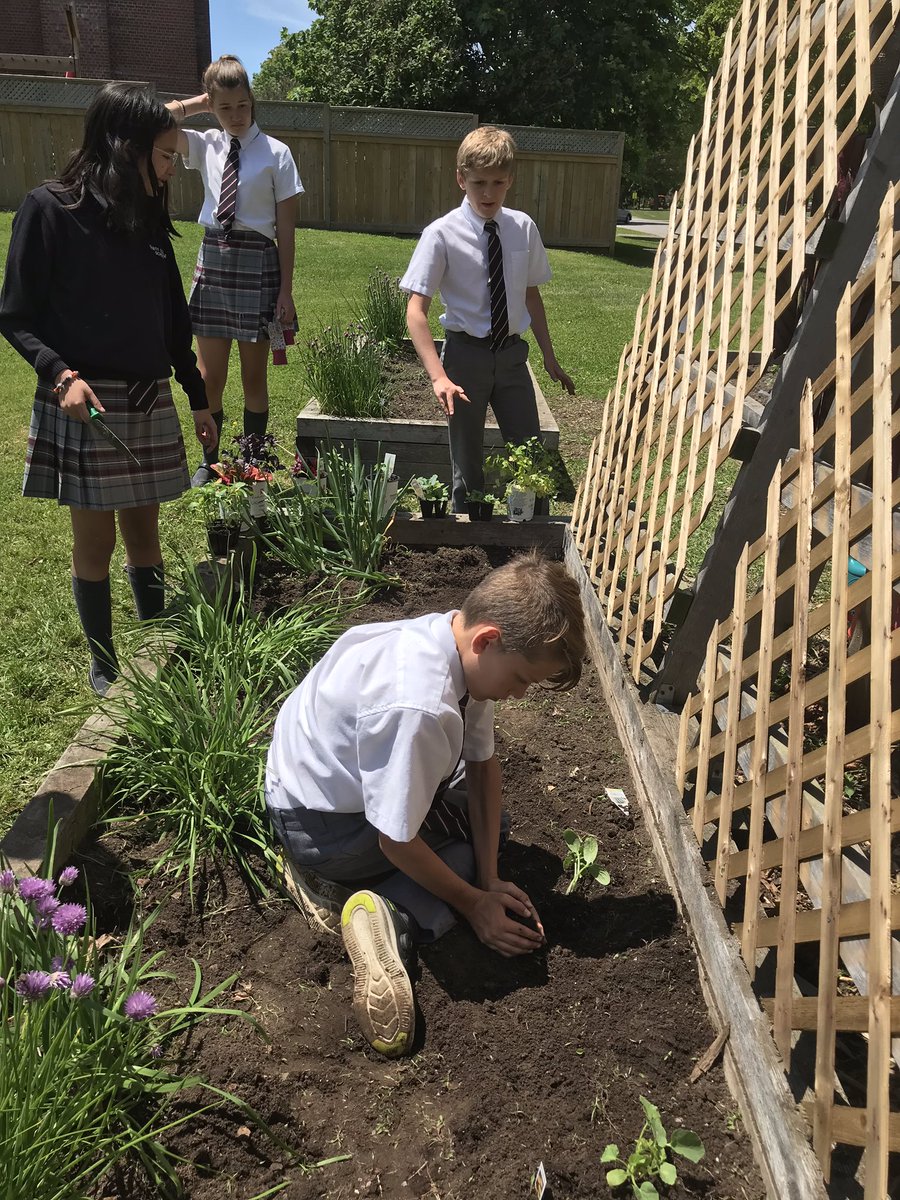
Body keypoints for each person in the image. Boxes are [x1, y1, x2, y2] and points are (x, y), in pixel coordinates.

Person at [265, 552, 586, 1057]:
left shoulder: (450, 643)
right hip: (323, 827)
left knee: (487, 835)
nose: (521, 695)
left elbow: (482, 766)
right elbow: (396, 839)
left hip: (317, 782)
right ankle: (383, 910)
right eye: (522, 679)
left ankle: (382, 897)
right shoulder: (420, 706)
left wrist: (491, 875)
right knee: (457, 858)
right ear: (488, 640)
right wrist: (474, 902)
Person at [0, 83, 217, 696]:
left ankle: (154, 646)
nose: (173, 168)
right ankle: (104, 661)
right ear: (127, 149)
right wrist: (60, 374)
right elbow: (15, 315)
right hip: (87, 401)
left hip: (147, 398)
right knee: (93, 540)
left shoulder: (146, 217)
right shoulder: (49, 210)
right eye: (167, 155)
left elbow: (174, 319)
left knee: (144, 534)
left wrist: (197, 395)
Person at [400, 126, 575, 513]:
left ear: (510, 180)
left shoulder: (522, 228)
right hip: (464, 359)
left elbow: (531, 294)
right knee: (467, 460)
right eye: (478, 182)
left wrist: (548, 356)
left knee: (529, 453)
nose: (488, 193)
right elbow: (416, 311)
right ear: (461, 179)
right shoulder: (442, 234)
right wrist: (439, 377)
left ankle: (534, 538)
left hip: (512, 357)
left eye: (498, 183)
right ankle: (470, 538)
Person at [166, 55, 303, 486]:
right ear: (212, 105)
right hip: (215, 261)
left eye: (242, 105)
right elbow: (147, 122)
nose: (236, 115)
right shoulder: (205, 143)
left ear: (252, 100)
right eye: (224, 108)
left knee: (253, 375)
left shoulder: (277, 154)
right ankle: (211, 460)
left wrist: (285, 291)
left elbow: (286, 229)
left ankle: (252, 461)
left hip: (258, 262)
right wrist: (196, 106)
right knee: (210, 376)